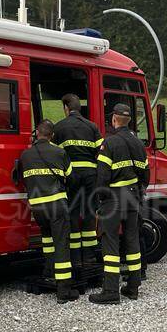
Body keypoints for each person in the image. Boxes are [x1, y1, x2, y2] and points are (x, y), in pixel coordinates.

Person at [89, 103, 149, 304]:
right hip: (133, 197)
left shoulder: (110, 143)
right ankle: (133, 287)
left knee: (110, 241)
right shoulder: (138, 143)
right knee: (132, 240)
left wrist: (100, 199)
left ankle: (111, 291)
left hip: (113, 199)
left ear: (114, 119)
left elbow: (102, 176)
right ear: (129, 120)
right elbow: (145, 175)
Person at [18, 120, 80, 303]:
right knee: (61, 243)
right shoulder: (59, 152)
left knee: (47, 239)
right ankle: (63, 291)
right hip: (56, 205)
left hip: (37, 207)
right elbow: (72, 179)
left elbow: (21, 177)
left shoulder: (26, 155)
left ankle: (48, 272)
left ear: (36, 133)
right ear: (52, 135)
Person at [52, 94, 102, 269]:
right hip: (90, 175)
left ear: (66, 108)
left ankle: (75, 258)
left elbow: (54, 154)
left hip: (71, 175)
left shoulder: (59, 127)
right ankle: (89, 257)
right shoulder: (92, 126)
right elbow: (101, 153)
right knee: (89, 213)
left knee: (72, 213)